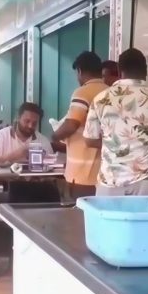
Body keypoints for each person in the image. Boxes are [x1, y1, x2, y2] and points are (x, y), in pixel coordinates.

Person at [83, 48, 148, 196]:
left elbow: (89, 140)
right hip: (147, 181)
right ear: (145, 70)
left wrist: (116, 142)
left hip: (109, 181)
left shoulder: (101, 99)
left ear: (119, 70)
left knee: (106, 213)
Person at [52, 51, 107, 199]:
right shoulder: (110, 92)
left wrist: (55, 135)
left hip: (82, 173)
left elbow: (72, 124)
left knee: (78, 212)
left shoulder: (82, 93)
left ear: (80, 71)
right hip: (105, 174)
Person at [0, 102, 53, 166]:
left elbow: (51, 166)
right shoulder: (2, 136)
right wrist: (14, 156)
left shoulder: (43, 141)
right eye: (27, 121)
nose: (30, 126)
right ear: (18, 118)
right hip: (4, 177)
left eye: (34, 123)